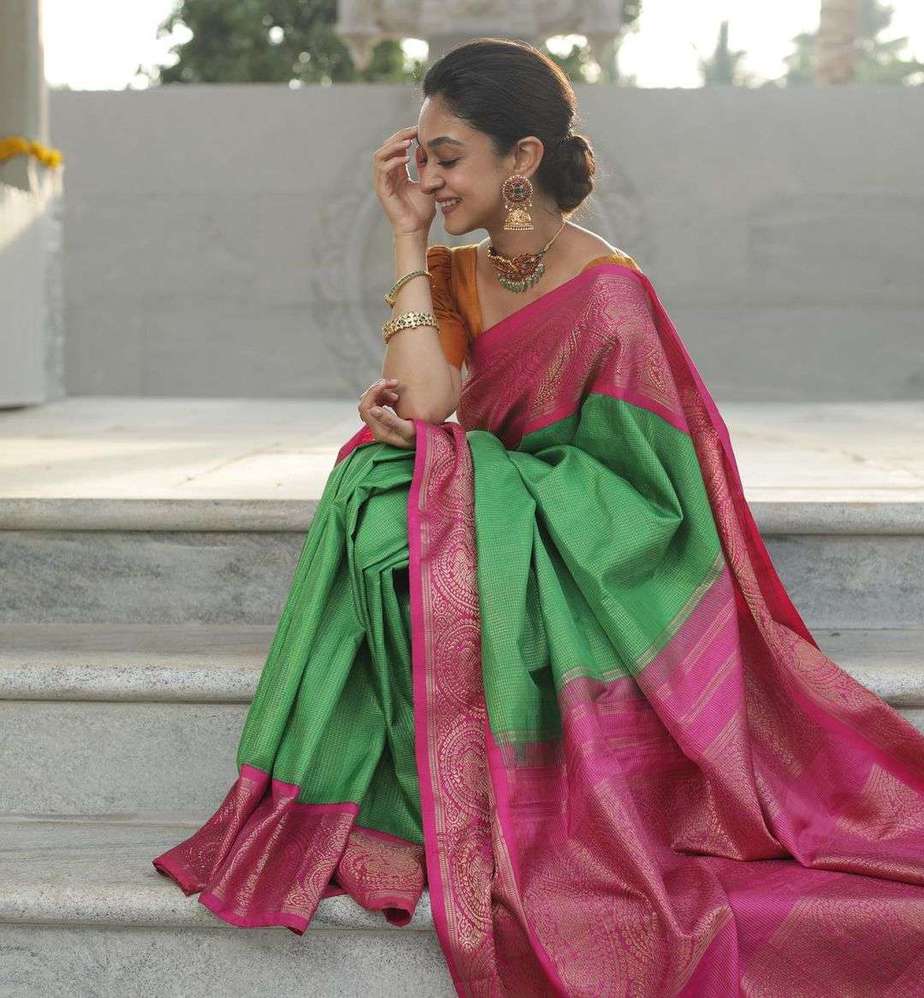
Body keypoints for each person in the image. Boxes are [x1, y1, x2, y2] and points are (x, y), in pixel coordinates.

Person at [153, 38, 924, 997]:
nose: (427, 178)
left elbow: (650, 492)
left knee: (400, 509)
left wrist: (480, 476)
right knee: (369, 485)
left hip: (604, 547)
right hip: (511, 517)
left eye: (447, 157)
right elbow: (428, 401)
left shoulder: (611, 293)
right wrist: (405, 244)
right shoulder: (464, 272)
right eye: (419, 157)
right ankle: (432, 767)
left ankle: (476, 773)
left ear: (521, 159)